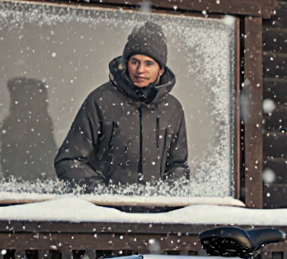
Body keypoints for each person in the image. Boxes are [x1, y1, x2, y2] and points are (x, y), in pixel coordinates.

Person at [55, 21, 189, 190]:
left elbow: (178, 166)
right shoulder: (101, 101)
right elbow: (69, 161)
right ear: (126, 63)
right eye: (135, 62)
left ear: (161, 69)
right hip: (107, 214)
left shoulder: (172, 109)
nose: (140, 70)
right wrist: (102, 194)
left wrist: (167, 197)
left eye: (149, 63)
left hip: (156, 215)